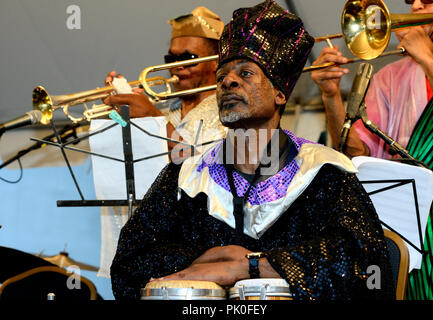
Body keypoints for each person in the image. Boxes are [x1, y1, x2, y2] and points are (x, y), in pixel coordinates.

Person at [110, 0, 394, 301]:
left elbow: (367, 267)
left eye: (246, 73)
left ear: (280, 93)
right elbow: (129, 265)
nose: (228, 81)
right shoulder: (186, 178)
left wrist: (250, 266)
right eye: (221, 77)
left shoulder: (323, 174)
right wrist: (213, 258)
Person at [311, 0, 433, 300]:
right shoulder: (389, 77)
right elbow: (355, 157)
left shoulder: (427, 63)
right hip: (403, 234)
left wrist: (430, 62)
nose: (415, 5)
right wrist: (331, 95)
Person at [103, 7, 227, 155]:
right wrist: (118, 113)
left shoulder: (228, 112)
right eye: (171, 59)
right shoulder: (165, 109)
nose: (177, 66)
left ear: (216, 61)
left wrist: (153, 118)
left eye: (188, 59)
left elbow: (209, 172)